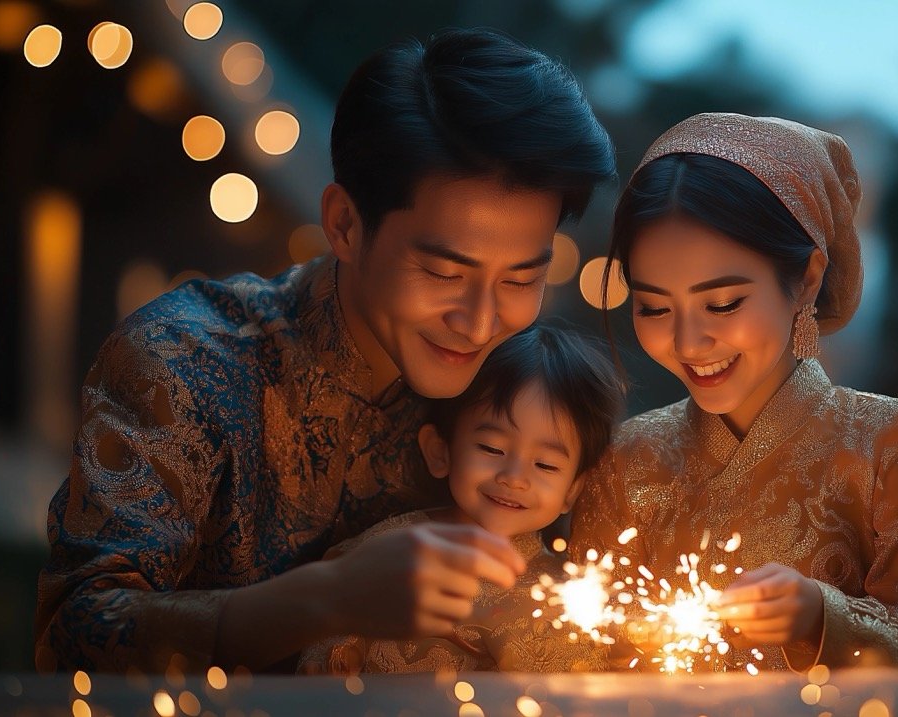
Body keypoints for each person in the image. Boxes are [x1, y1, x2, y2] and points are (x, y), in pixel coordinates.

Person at [34, 28, 616, 673]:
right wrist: (325, 600)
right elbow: (72, 634)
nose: (480, 323)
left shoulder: (521, 389)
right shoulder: (181, 360)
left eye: (520, 279)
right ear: (344, 223)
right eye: (445, 273)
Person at [569, 113, 898, 671]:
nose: (687, 341)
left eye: (723, 303)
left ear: (807, 277)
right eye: (654, 307)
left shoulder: (895, 443)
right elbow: (582, 648)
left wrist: (820, 616)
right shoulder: (627, 459)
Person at [297, 324, 623, 673]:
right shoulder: (388, 548)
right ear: (440, 451)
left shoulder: (561, 601)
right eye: (491, 448)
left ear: (572, 490)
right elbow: (322, 658)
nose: (514, 477)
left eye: (545, 464)